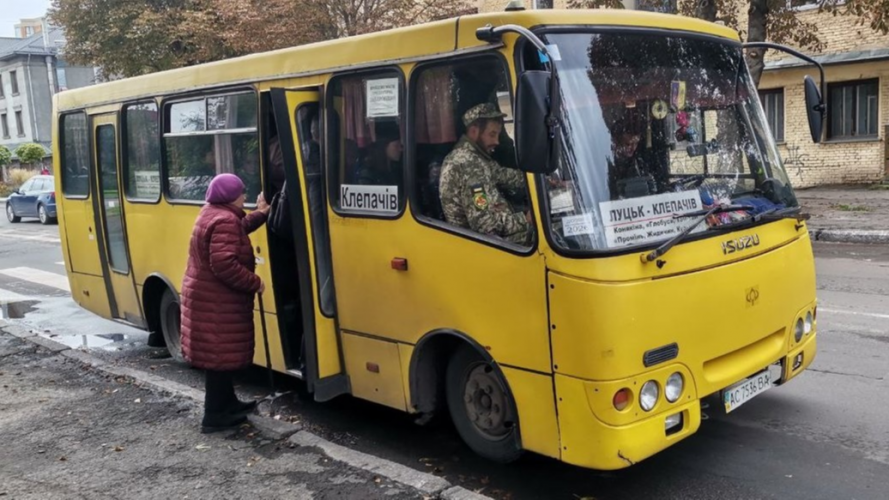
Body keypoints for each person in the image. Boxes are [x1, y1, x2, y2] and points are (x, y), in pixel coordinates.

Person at [180, 173, 270, 433]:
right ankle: (215, 416)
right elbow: (224, 263)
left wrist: (261, 214)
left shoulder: (213, 213)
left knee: (217, 357)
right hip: (216, 302)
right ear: (231, 196)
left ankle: (228, 404)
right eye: (241, 192)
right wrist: (255, 282)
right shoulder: (225, 219)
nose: (244, 196)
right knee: (218, 357)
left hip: (209, 298)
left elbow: (235, 231)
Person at [439, 103, 531, 245]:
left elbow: (504, 175)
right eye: (492, 135)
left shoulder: (477, 157)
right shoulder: (467, 163)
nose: (496, 141)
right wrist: (526, 218)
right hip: (478, 246)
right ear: (474, 131)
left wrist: (540, 182)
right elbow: (485, 225)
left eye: (498, 135)